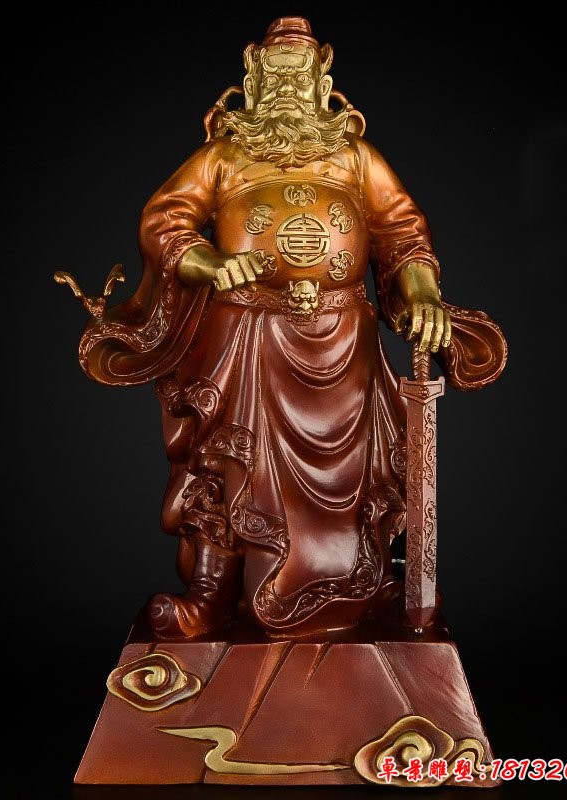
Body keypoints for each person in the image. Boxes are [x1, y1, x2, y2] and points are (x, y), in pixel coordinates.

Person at [72, 18, 503, 639]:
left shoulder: (355, 157)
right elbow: (165, 221)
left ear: (322, 84)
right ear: (252, 83)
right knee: (226, 455)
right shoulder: (223, 157)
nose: (287, 90)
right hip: (249, 332)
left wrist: (424, 295)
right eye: (275, 78)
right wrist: (210, 263)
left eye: (300, 78)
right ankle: (211, 595)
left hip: (342, 338)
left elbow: (403, 234)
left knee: (361, 474)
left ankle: (367, 590)